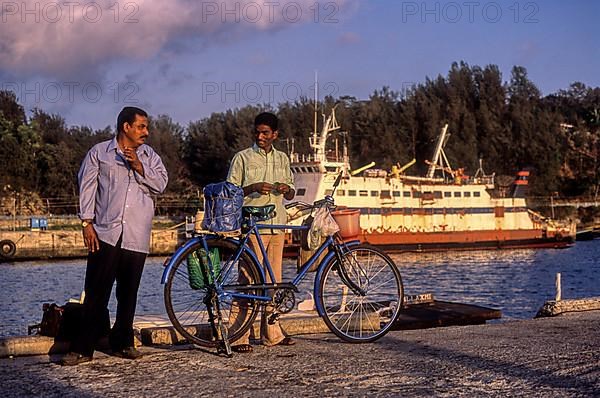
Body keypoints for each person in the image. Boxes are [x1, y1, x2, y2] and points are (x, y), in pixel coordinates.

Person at [59, 106, 168, 366]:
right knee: (96, 290)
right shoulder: (99, 153)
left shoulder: (150, 156)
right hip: (105, 232)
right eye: (141, 126)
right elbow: (87, 187)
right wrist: (87, 223)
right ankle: (82, 348)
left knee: (128, 292)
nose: (146, 132)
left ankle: (123, 343)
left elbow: (161, 184)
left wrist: (139, 166)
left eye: (146, 126)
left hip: (136, 233)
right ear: (126, 127)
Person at [226, 112, 296, 353]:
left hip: (277, 224)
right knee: (248, 281)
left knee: (273, 281)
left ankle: (272, 334)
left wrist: (287, 190)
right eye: (257, 132)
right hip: (252, 227)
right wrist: (253, 187)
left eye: (266, 132)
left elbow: (291, 193)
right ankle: (238, 336)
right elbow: (231, 193)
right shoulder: (242, 158)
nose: (260, 136)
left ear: (275, 134)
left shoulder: (283, 159)